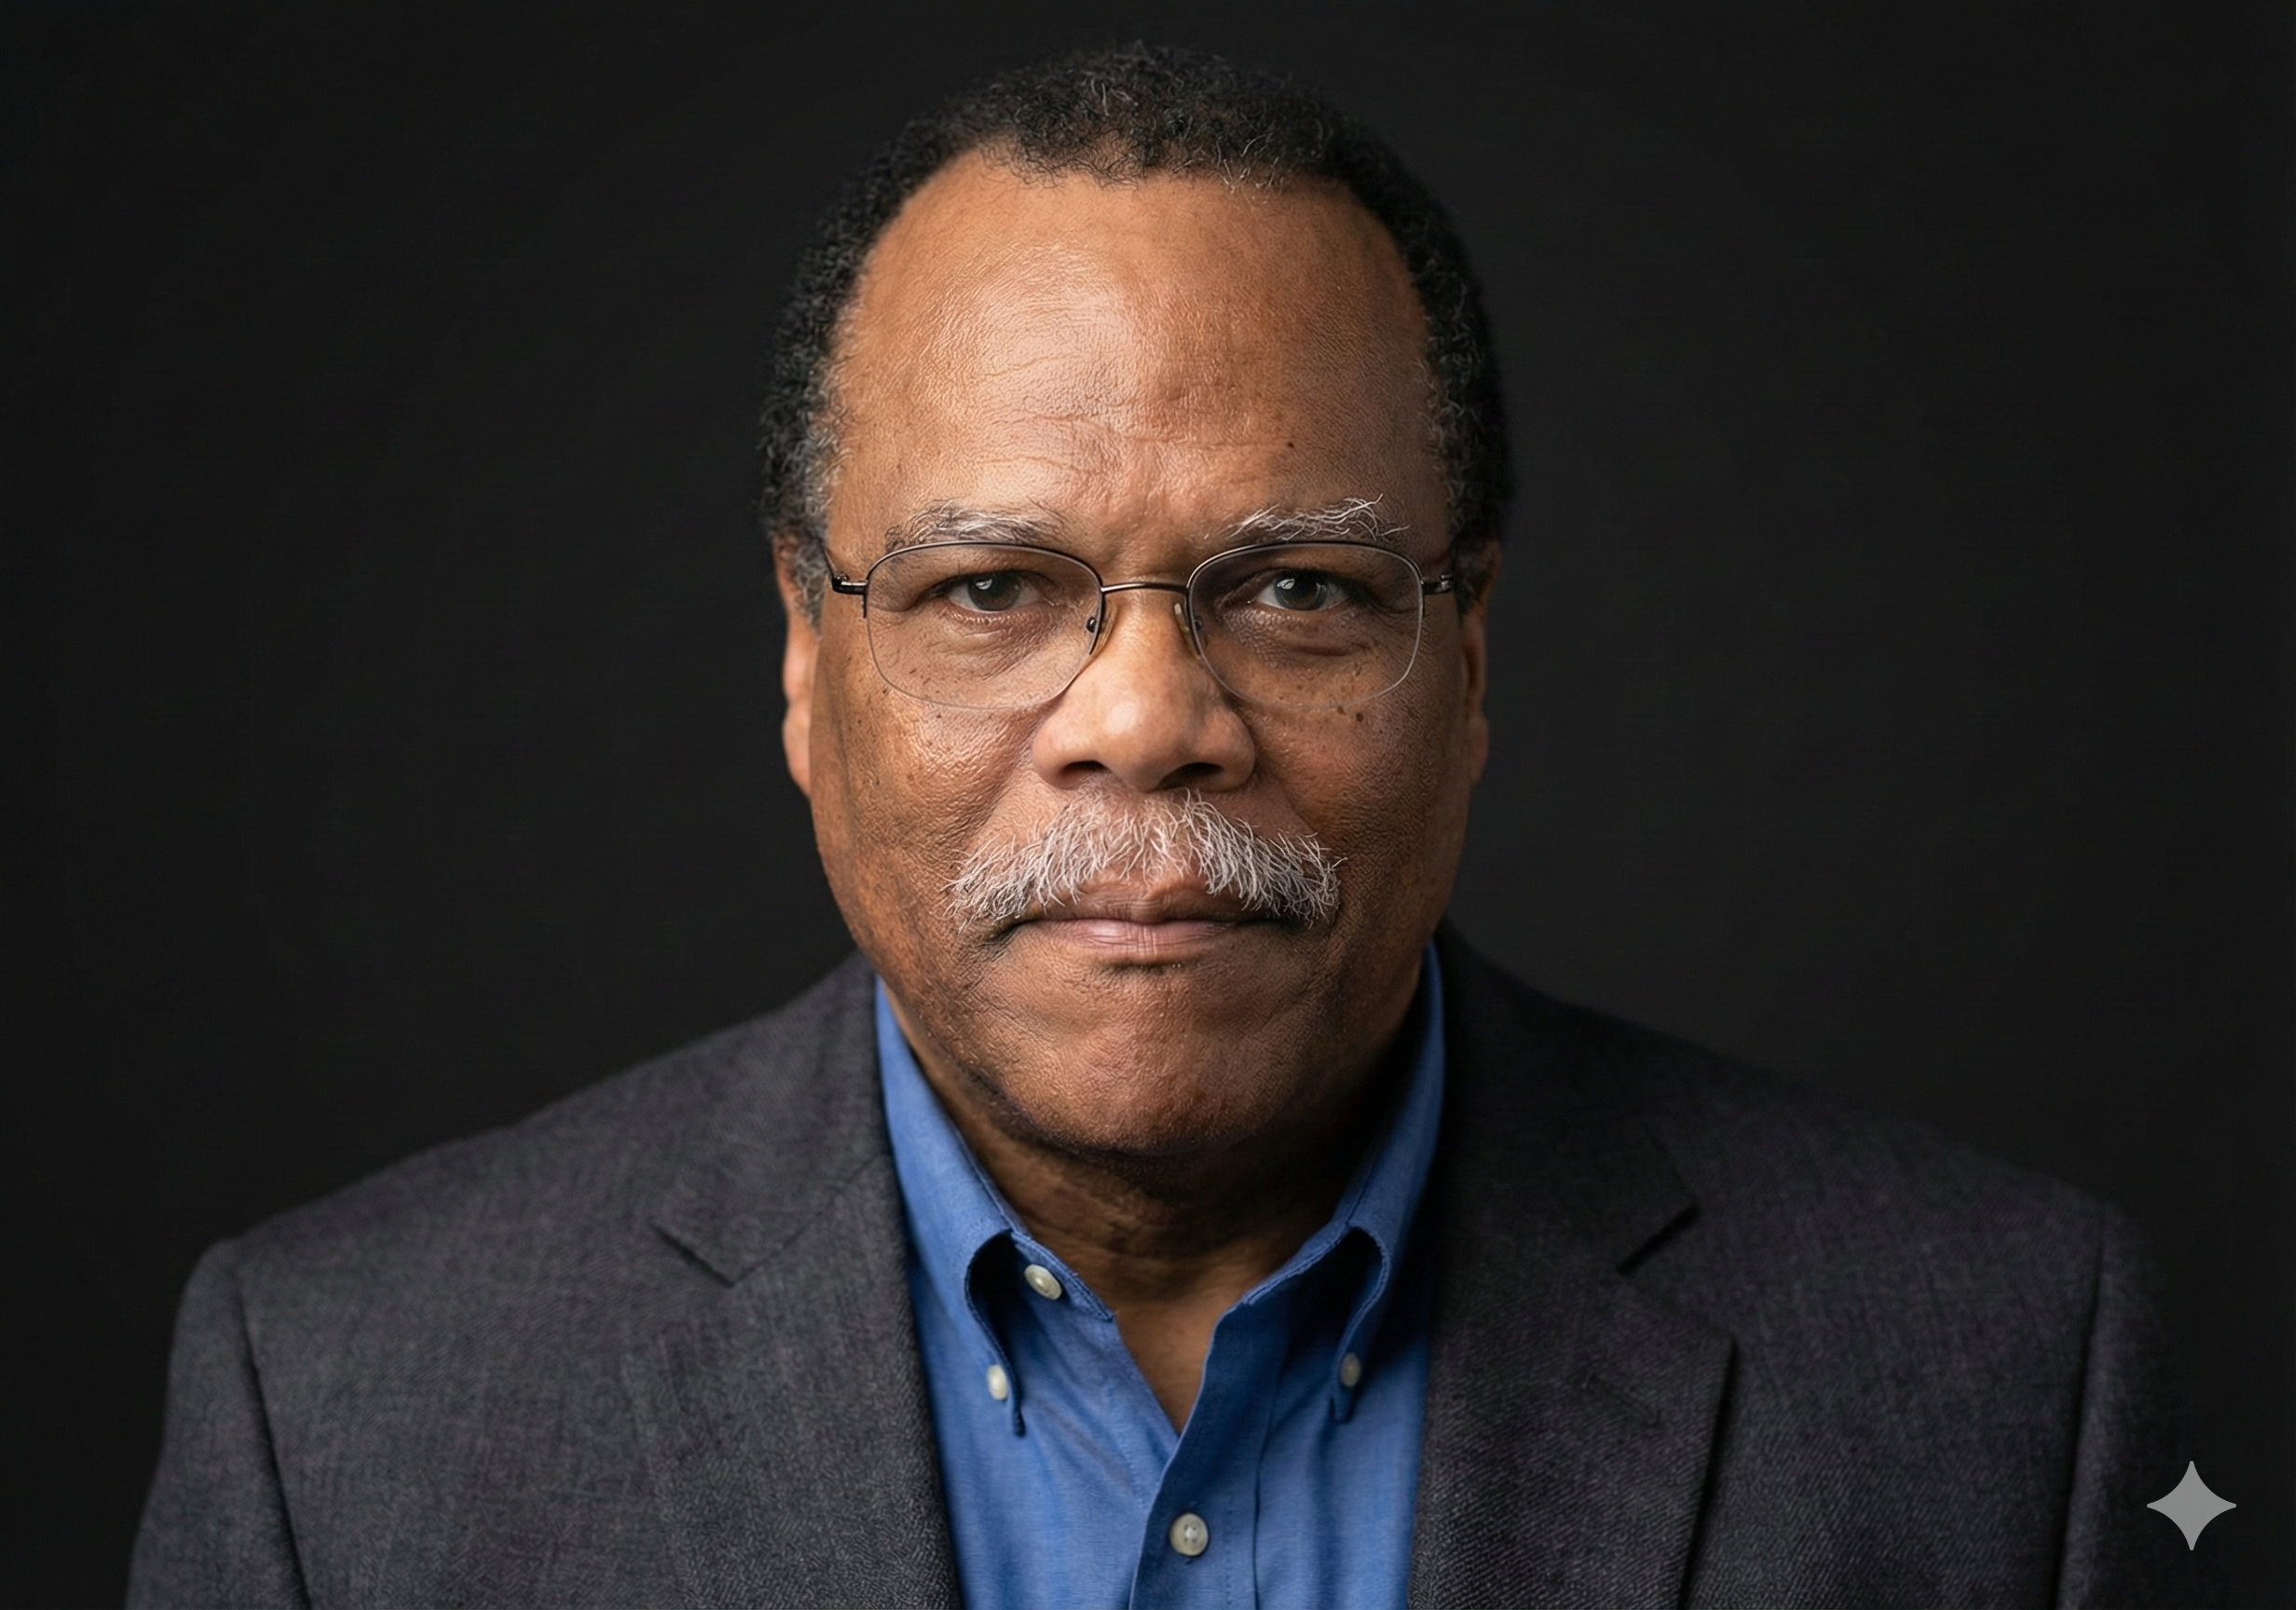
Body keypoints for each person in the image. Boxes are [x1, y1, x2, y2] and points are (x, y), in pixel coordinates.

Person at [130, 45, 2211, 1608]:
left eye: (1298, 588)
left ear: (1464, 651)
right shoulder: (339, 1415)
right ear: (801, 649)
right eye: (988, 592)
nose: (1140, 723)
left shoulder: (2004, 1381)